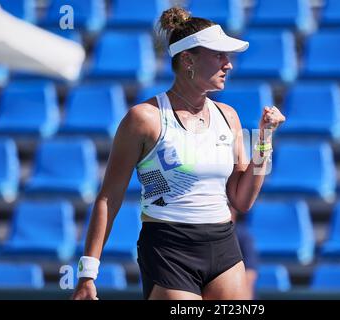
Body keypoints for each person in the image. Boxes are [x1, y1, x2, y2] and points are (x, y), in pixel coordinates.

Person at [72, 7, 285, 300]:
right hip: (168, 248)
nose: (229, 65)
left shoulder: (229, 116)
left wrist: (264, 140)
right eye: (219, 55)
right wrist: (87, 273)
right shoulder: (143, 118)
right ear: (188, 60)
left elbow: (242, 199)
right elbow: (109, 198)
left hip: (223, 245)